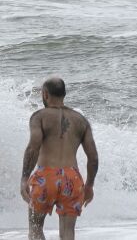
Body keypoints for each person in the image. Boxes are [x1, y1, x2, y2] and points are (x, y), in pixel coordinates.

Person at [20, 77, 99, 240]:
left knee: (35, 228)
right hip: (72, 178)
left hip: (45, 177)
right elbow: (93, 157)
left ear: (45, 94)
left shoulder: (39, 116)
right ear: (64, 94)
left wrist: (24, 179)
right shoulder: (81, 120)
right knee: (68, 232)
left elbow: (32, 148)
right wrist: (90, 185)